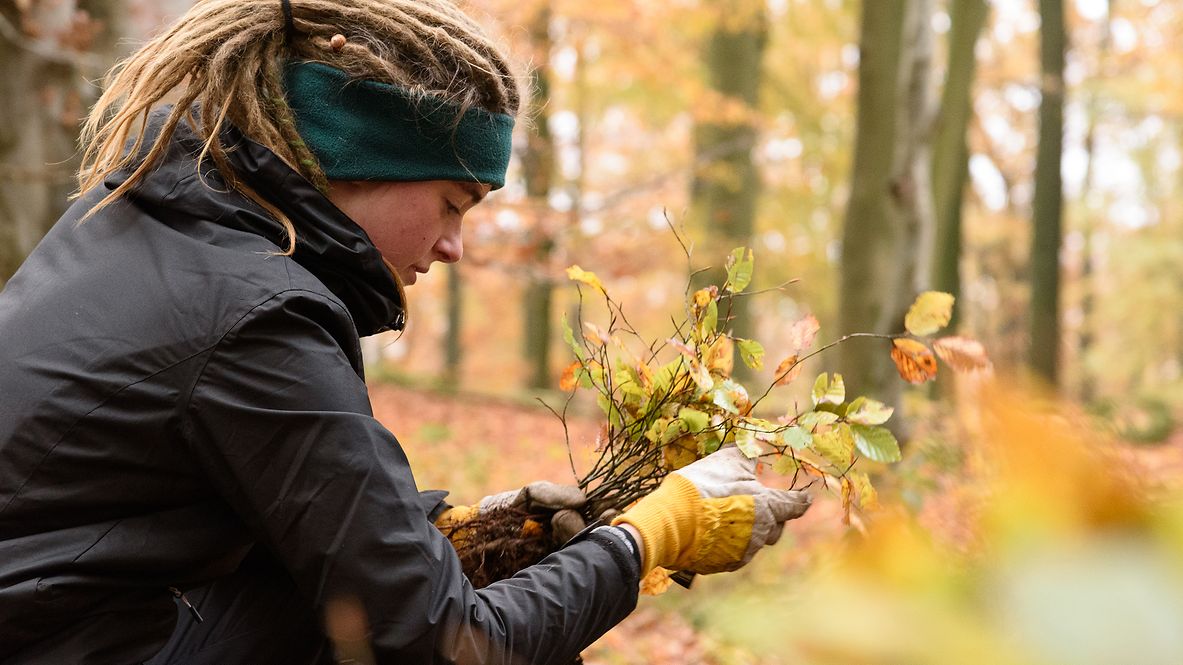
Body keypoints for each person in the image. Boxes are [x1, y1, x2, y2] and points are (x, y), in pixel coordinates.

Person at [0, 1, 813, 663]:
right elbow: (447, 644)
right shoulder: (255, 314)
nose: (454, 246)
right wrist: (649, 536)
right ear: (358, 162)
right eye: (452, 204)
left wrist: (471, 536)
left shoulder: (141, 230)